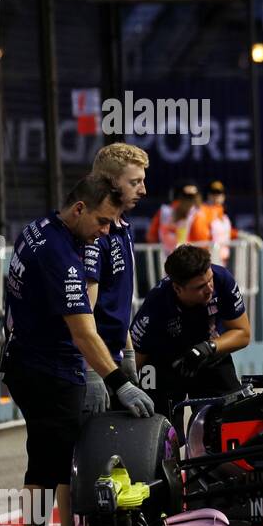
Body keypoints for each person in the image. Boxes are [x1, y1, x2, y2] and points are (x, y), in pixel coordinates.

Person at [0, 176, 156, 526]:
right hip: (48, 371)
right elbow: (84, 333)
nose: (105, 232)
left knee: (48, 469)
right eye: (103, 222)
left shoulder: (37, 230)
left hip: (26, 362)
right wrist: (120, 381)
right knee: (53, 470)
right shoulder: (61, 256)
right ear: (80, 209)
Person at [130, 244, 251, 433]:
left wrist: (208, 347)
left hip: (208, 354)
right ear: (178, 288)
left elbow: (243, 334)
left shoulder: (222, 280)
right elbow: (135, 357)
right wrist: (123, 390)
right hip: (163, 365)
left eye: (209, 280)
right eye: (200, 287)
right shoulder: (156, 305)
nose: (209, 289)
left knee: (230, 418)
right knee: (159, 430)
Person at [81, 143, 150, 415]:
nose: (143, 190)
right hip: (94, 365)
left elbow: (119, 302)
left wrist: (128, 349)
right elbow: (82, 309)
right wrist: (92, 370)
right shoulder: (95, 235)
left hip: (112, 359)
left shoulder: (123, 228)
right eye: (135, 182)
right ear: (109, 184)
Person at [146, 179, 209, 255]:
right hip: (169, 261)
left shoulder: (198, 214)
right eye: (186, 197)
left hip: (188, 261)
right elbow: (151, 237)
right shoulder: (164, 212)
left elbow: (202, 242)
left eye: (192, 197)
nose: (189, 201)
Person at [200, 180, 237, 266]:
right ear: (208, 195)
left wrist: (239, 234)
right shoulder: (203, 212)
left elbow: (228, 232)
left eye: (219, 193)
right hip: (208, 260)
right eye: (213, 193)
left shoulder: (223, 215)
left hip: (223, 260)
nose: (216, 196)